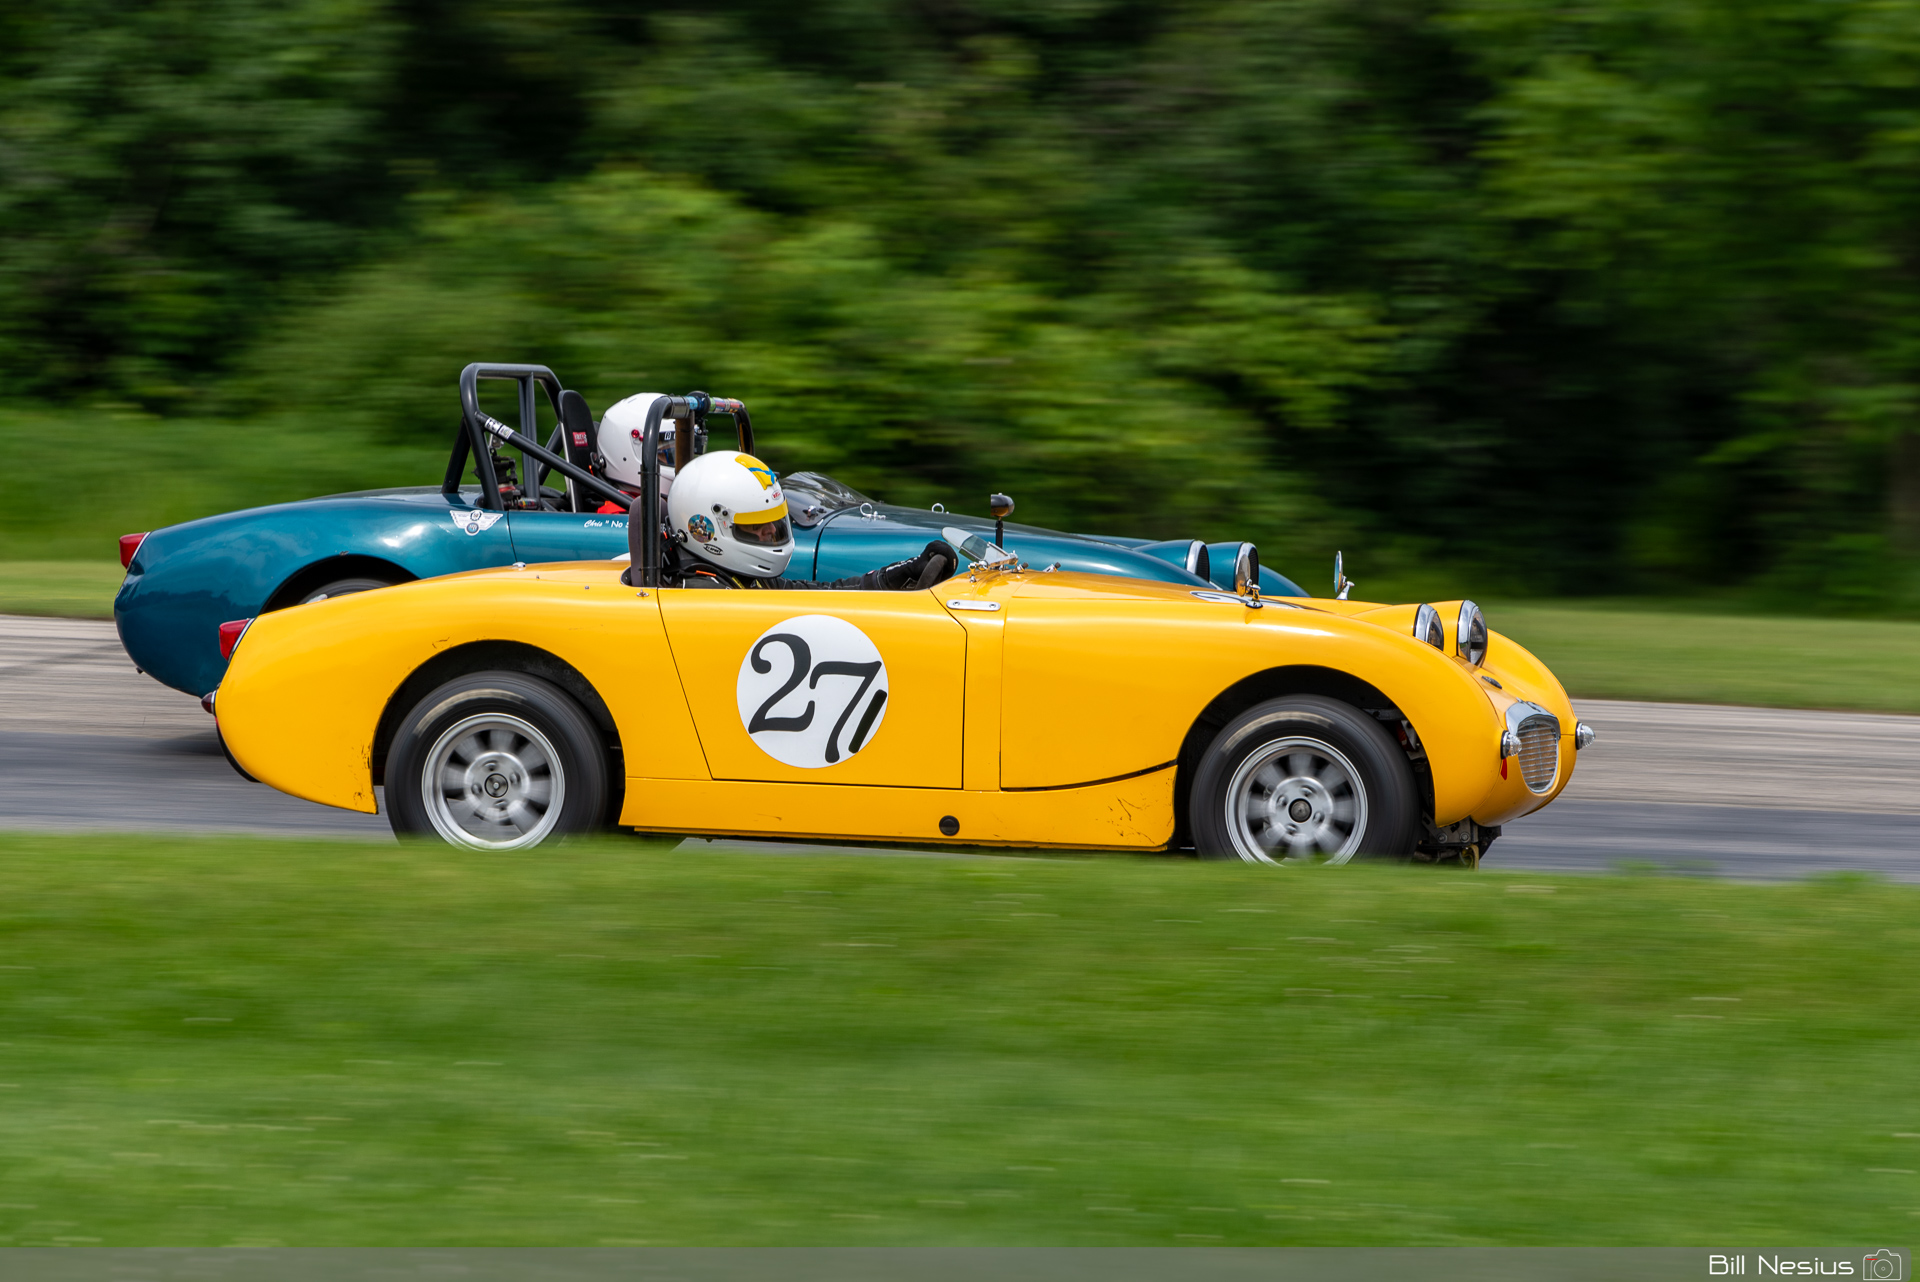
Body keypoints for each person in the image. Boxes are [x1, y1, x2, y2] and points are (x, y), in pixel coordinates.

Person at [631, 448, 957, 590]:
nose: (772, 531)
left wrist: (897, 575)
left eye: (774, 520)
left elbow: (815, 595)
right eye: (757, 526)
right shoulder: (703, 597)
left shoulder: (738, 578)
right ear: (706, 531)